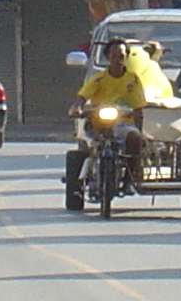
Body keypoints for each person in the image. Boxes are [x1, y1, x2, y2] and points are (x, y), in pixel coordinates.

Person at [68, 39, 162, 193]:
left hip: (124, 125)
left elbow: (139, 107)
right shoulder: (98, 79)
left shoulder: (133, 80)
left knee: (135, 139)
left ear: (126, 57)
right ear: (107, 57)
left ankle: (129, 181)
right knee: (92, 144)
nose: (117, 60)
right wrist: (76, 108)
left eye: (121, 56)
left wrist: (138, 124)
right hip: (100, 124)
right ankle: (91, 172)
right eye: (114, 56)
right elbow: (82, 97)